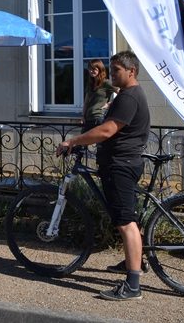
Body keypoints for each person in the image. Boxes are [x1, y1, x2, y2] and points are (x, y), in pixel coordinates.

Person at [57, 51, 150, 301]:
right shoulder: (126, 96)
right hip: (120, 162)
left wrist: (73, 141)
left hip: (120, 164)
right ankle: (136, 262)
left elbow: (107, 130)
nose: (113, 73)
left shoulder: (129, 97)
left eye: (117, 69)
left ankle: (132, 286)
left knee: (125, 222)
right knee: (127, 217)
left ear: (131, 71)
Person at [82, 59, 118, 133]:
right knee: (82, 141)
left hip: (99, 117)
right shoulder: (90, 84)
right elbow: (86, 101)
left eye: (94, 69)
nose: (91, 71)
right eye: (90, 69)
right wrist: (83, 115)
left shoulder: (106, 83)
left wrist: (109, 104)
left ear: (100, 70)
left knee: (100, 143)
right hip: (89, 118)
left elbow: (122, 93)